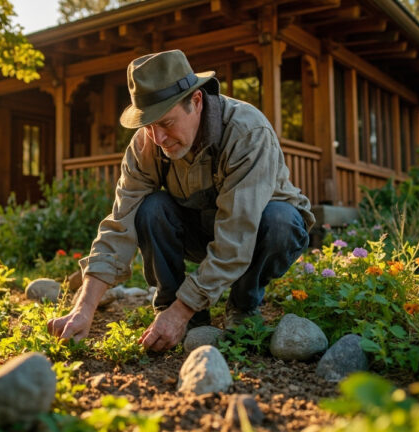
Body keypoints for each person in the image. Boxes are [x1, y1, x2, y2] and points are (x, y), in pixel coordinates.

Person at [47, 49, 315, 352]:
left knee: (280, 221)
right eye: (148, 126)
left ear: (196, 102)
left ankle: (243, 305)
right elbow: (119, 225)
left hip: (256, 235)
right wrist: (84, 308)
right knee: (150, 209)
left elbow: (238, 233)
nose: (158, 139)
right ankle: (173, 304)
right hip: (199, 231)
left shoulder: (247, 132)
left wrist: (181, 312)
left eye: (165, 123)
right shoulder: (146, 144)